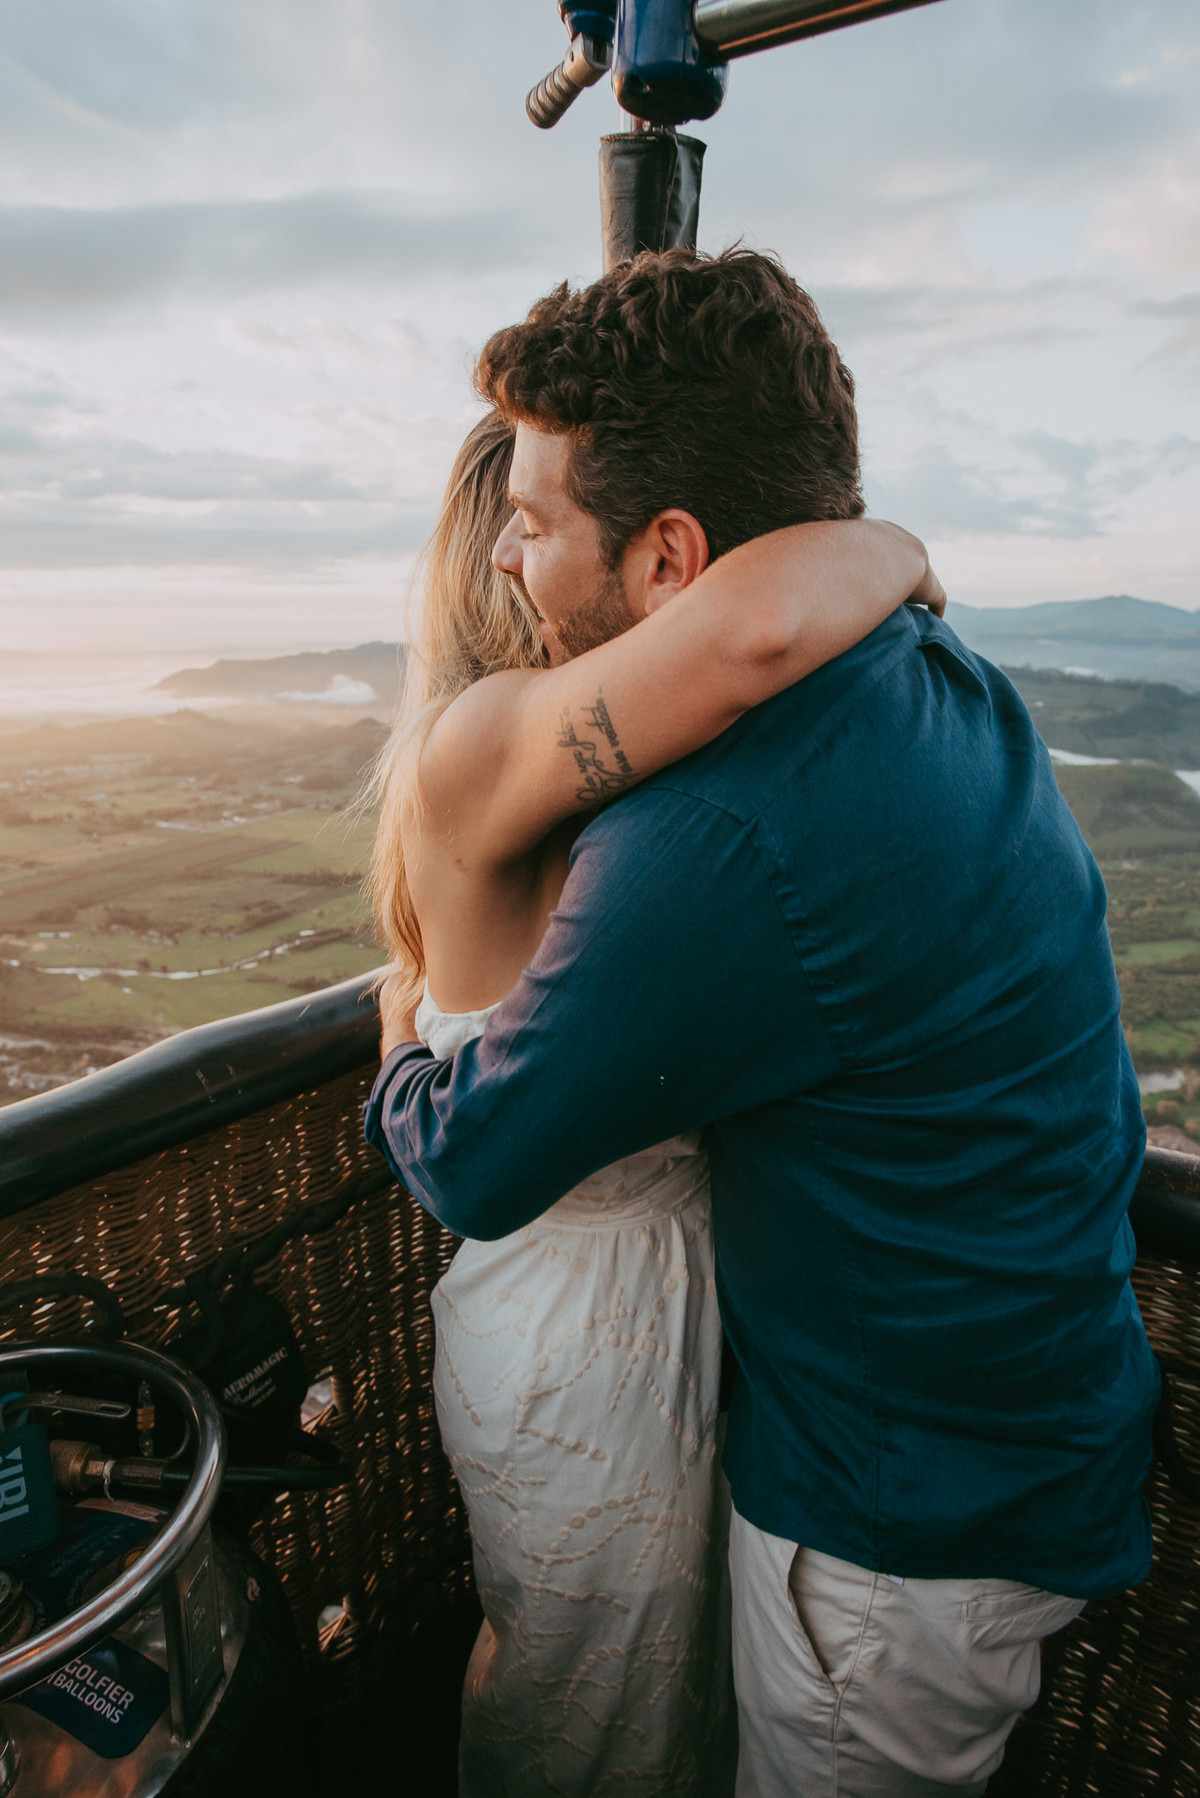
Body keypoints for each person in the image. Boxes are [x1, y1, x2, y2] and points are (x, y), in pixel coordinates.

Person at [366, 247, 1161, 1798]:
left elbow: (479, 1153)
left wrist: (402, 1047)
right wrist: (888, 546)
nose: (512, 565)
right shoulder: (941, 677)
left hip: (895, 1533)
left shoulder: (717, 844)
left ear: (669, 561)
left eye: (534, 525)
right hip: (1018, 1435)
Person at [366, 398, 937, 1798]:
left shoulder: (604, 782)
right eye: (531, 527)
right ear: (495, 562)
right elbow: (755, 626)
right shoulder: (490, 741)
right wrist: (900, 545)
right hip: (570, 1336)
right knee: (581, 1717)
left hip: (673, 1307)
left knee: (657, 1713)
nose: (530, 552)